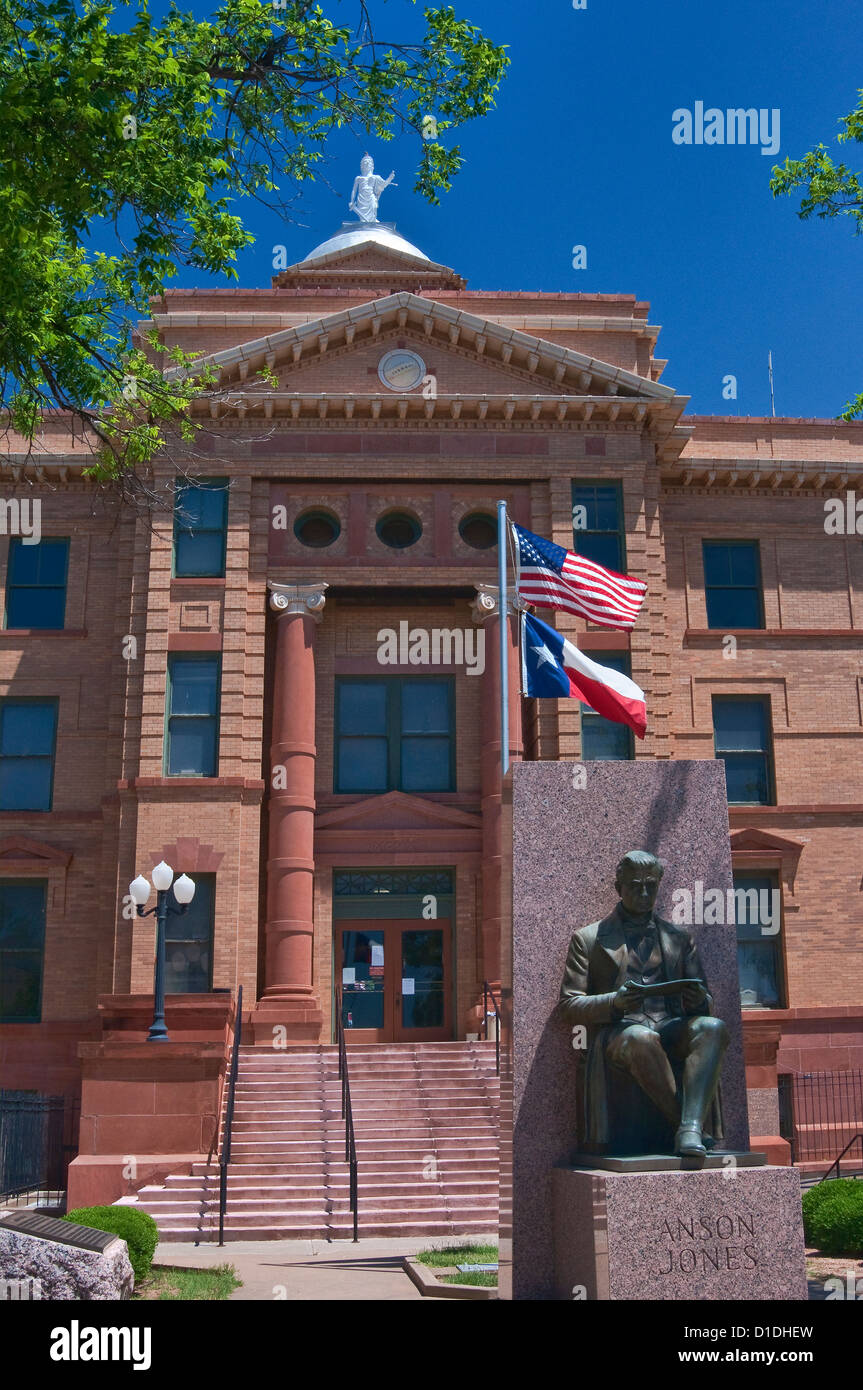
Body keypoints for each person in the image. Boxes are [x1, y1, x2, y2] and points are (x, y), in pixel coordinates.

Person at [559, 850, 728, 1159]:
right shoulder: (588, 939)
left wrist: (699, 1001)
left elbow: (706, 1001)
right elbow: (569, 1006)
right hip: (619, 1031)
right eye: (636, 885)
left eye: (651, 885)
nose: (644, 893)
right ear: (618, 888)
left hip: (671, 1024)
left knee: (713, 1028)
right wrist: (614, 1001)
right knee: (641, 1038)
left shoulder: (679, 938)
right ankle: (688, 1127)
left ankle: (689, 1127)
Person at [349, 155, 396, 223]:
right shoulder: (358, 178)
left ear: (372, 165)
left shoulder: (376, 177)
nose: (367, 163)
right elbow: (354, 190)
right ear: (361, 165)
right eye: (365, 162)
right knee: (362, 217)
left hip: (371, 197)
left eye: (369, 162)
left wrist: (390, 178)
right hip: (361, 199)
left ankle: (372, 222)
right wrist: (352, 201)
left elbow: (383, 186)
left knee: (372, 213)